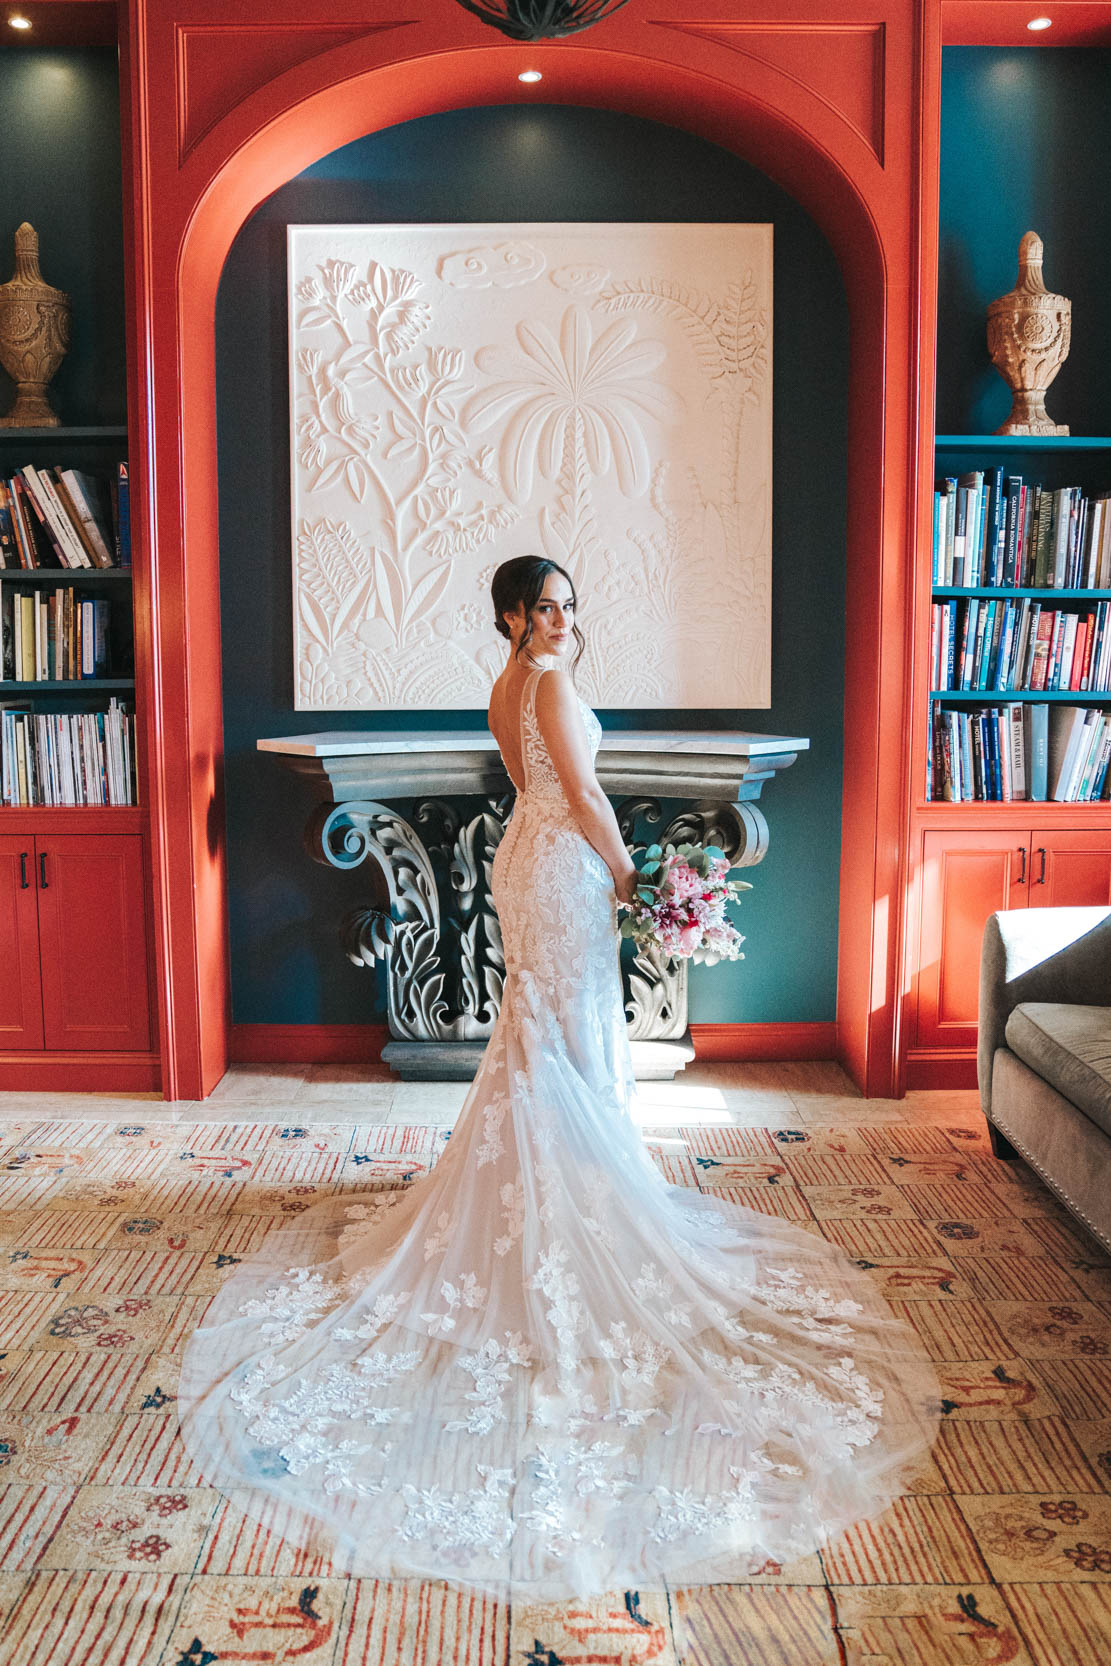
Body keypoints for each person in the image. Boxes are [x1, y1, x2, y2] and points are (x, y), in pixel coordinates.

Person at [177, 555, 939, 1601]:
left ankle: (548, 1180)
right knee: (564, 1029)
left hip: (525, 860)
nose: (563, 619)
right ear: (512, 615)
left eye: (571, 605)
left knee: (543, 1028)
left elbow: (540, 785)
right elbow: (581, 790)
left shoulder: (504, 685)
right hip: (566, 865)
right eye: (545, 607)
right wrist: (638, 884)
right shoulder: (548, 684)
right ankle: (573, 1203)